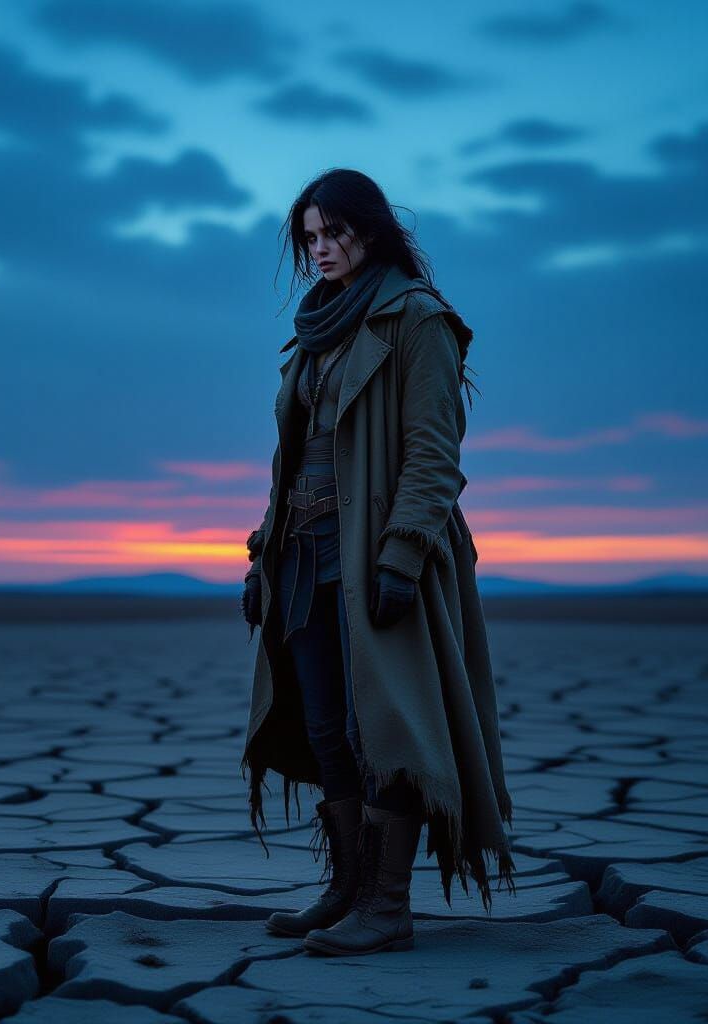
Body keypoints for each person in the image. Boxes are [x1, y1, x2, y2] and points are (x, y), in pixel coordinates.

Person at [240, 168, 516, 957]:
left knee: (386, 724)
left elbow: (435, 452)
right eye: (310, 238)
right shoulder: (314, 330)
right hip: (304, 554)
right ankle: (348, 889)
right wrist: (264, 554)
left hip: (379, 553)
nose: (321, 249)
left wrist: (402, 554)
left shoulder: (417, 321)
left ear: (371, 230)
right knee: (326, 724)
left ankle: (388, 906)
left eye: (334, 233)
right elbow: (292, 459)